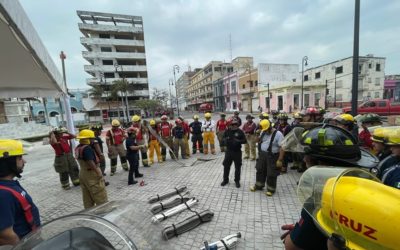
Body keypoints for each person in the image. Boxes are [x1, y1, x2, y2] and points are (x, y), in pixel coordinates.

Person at [281, 124, 379, 250]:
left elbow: (292, 246)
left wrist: (296, 234)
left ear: (320, 164)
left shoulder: (321, 200)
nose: (304, 159)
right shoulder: (366, 190)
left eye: (307, 156)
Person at [0, 139, 41, 246]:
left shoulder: (8, 184)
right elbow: (6, 235)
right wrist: (23, 246)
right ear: (8, 162)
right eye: (20, 158)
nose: (24, 161)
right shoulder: (3, 194)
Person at [249, 119, 284, 196]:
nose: (264, 131)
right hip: (262, 155)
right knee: (260, 170)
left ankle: (271, 189)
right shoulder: (263, 131)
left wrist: (280, 160)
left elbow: (282, 147)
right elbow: (256, 141)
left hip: (272, 156)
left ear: (270, 127)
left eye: (266, 130)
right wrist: (257, 134)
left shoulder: (278, 134)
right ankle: (259, 185)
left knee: (271, 173)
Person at [75, 130, 108, 209]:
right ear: (87, 139)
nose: (93, 140)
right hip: (91, 173)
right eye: (92, 139)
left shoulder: (79, 147)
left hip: (83, 173)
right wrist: (98, 173)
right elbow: (90, 161)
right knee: (100, 195)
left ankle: (90, 212)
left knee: (87, 197)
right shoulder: (87, 149)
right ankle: (104, 212)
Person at [220, 118, 247, 188]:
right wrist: (224, 140)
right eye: (233, 124)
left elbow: (245, 141)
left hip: (237, 152)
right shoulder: (227, 131)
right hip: (228, 152)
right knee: (226, 166)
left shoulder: (240, 131)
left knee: (238, 167)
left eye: (236, 124)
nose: (235, 125)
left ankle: (237, 181)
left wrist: (239, 141)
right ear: (230, 125)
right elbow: (222, 139)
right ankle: (225, 180)